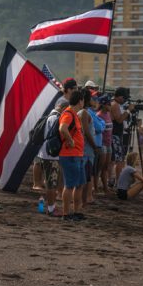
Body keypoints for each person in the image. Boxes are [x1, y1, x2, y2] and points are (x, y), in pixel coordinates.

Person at [36, 99, 69, 217]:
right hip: (51, 155)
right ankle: (51, 208)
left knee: (51, 181)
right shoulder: (56, 117)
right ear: (62, 106)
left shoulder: (51, 115)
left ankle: (51, 205)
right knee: (52, 182)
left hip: (46, 153)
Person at [58, 90, 85, 221]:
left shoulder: (74, 114)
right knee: (69, 185)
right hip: (70, 154)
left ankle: (76, 211)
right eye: (83, 100)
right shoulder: (68, 113)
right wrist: (70, 140)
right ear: (80, 101)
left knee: (79, 184)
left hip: (77, 154)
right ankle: (66, 213)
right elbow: (62, 128)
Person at [110, 87, 134, 185]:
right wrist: (128, 111)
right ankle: (118, 182)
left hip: (116, 134)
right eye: (124, 98)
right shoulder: (115, 104)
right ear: (119, 97)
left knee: (114, 160)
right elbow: (119, 120)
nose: (124, 100)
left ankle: (113, 180)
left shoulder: (115, 104)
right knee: (119, 160)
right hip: (115, 135)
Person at [96, 95, 113, 194]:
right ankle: (96, 187)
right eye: (108, 104)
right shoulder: (99, 115)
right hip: (102, 144)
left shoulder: (108, 114)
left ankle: (105, 187)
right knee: (99, 167)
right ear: (103, 105)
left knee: (106, 167)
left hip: (108, 143)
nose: (110, 105)